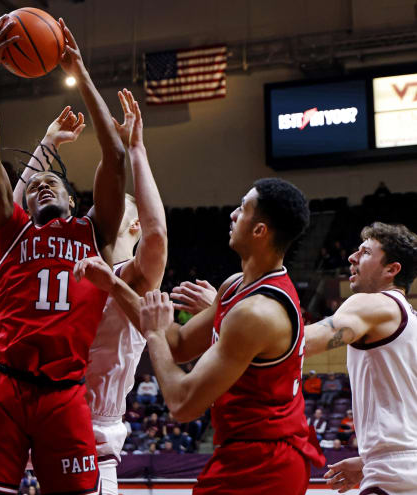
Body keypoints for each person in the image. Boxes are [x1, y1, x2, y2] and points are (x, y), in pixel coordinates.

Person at [0, 14, 126, 495]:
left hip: (65, 393)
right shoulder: (10, 233)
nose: (42, 184)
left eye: (52, 181)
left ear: (72, 199)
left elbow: (114, 158)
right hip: (4, 386)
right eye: (32, 186)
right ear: (22, 201)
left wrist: (80, 68)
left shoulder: (93, 231)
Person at [75, 178, 325, 493]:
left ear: (260, 230)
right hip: (243, 452)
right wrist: (115, 285)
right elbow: (178, 345)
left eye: (243, 208)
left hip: (266, 462)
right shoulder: (235, 285)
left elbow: (182, 404)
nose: (233, 214)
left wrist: (152, 332)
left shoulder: (256, 313)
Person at [12, 88, 166, 495]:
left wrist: (136, 150)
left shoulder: (132, 277)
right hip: (31, 422)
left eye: (123, 208)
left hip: (91, 435)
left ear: (133, 225)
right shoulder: (63, 263)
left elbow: (157, 235)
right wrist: (45, 146)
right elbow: (14, 227)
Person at [305, 222, 417, 494]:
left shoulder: (372, 303)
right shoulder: (411, 321)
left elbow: (300, 343)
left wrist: (229, 316)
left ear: (392, 270)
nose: (352, 257)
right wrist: (368, 459)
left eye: (365, 252)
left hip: (395, 476)